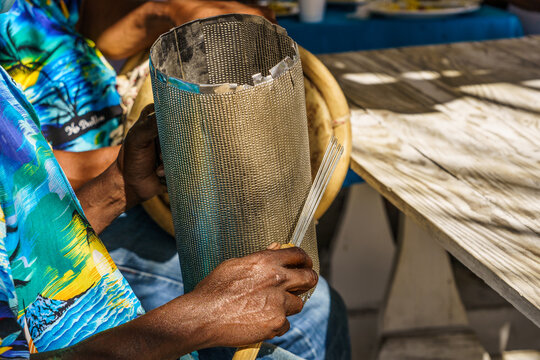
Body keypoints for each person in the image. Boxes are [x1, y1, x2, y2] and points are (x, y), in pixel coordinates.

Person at [0, 1, 351, 359]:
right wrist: (201, 317)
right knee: (311, 317)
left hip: (95, 299)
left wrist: (119, 186)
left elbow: (18, 260)